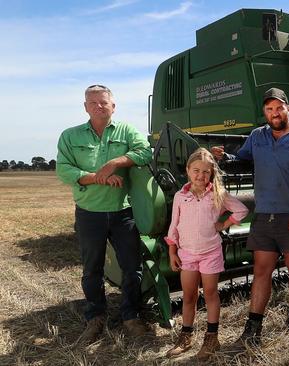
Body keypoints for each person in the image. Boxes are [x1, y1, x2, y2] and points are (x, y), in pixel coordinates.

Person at [211, 87, 289, 349]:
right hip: (264, 215)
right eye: (269, 109)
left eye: (279, 108)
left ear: (288, 109)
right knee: (261, 270)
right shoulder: (257, 137)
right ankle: (252, 328)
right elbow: (242, 161)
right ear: (265, 112)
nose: (274, 113)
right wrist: (224, 159)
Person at [56, 85, 153, 345]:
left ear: (113, 106)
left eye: (104, 102)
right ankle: (95, 317)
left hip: (123, 212)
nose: (99, 106)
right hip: (89, 213)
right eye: (93, 103)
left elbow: (146, 152)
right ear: (85, 107)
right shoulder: (70, 136)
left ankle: (131, 315)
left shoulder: (127, 131)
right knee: (92, 270)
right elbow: (64, 170)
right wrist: (97, 178)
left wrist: (116, 163)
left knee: (132, 268)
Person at [163, 148, 248, 360]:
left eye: (206, 172)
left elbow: (241, 210)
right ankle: (186, 336)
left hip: (210, 252)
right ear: (187, 170)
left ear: (211, 174)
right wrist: (173, 251)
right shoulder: (180, 197)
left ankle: (212, 338)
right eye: (196, 170)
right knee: (189, 295)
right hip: (187, 254)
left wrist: (223, 224)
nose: (200, 176)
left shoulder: (217, 195)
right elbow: (174, 226)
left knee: (210, 293)